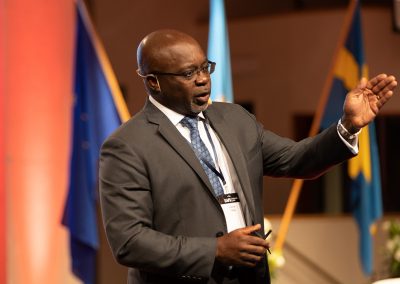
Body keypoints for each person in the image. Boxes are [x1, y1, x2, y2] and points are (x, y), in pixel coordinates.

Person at [99, 29, 397, 284]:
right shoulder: (128, 145)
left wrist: (347, 126)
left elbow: (296, 159)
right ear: (154, 82)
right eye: (189, 73)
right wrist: (214, 249)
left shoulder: (235, 119)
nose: (203, 80)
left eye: (206, 68)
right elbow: (130, 242)